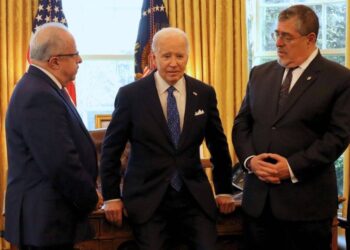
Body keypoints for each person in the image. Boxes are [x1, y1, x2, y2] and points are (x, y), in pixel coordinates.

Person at [100, 27, 235, 250]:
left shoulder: (204, 93)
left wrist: (223, 190)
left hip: (193, 198)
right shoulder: (130, 95)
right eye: (166, 56)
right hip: (147, 199)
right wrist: (111, 196)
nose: (174, 63)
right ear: (154, 58)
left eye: (179, 56)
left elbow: (218, 146)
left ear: (187, 56)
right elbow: (111, 150)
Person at [232, 4, 350, 250]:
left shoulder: (339, 78)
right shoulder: (259, 74)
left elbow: (338, 137)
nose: (278, 43)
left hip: (306, 207)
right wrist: (250, 160)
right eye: (276, 34)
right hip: (257, 205)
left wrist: (292, 167)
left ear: (310, 39)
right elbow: (242, 124)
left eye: (287, 37)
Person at [4, 23, 102, 250]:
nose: (80, 60)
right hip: (46, 222)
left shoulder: (44, 87)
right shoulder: (39, 95)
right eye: (74, 54)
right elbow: (60, 162)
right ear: (55, 61)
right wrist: (90, 197)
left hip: (50, 220)